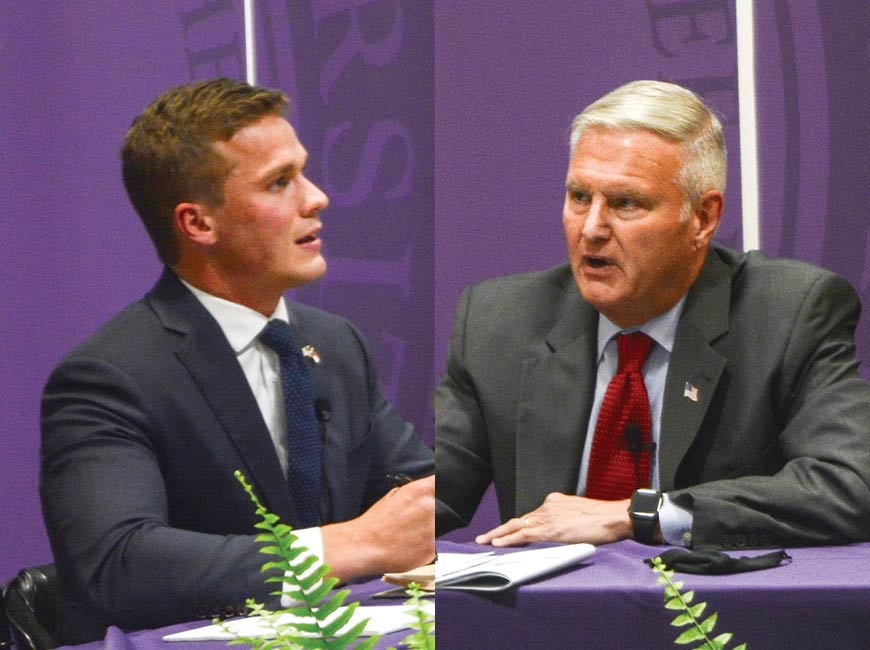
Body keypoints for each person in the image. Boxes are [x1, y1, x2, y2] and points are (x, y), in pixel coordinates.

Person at [40, 77, 434, 643]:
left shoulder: (335, 343)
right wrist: (350, 546)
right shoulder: (109, 378)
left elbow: (414, 491)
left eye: (303, 171)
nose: (316, 197)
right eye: (280, 183)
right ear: (198, 223)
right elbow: (118, 564)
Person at [435, 79, 870, 552]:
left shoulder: (788, 314)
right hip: (549, 617)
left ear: (703, 218)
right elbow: (430, 494)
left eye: (625, 203)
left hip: (712, 616)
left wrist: (640, 514)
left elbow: (849, 484)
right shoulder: (499, 322)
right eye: (580, 197)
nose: (592, 229)